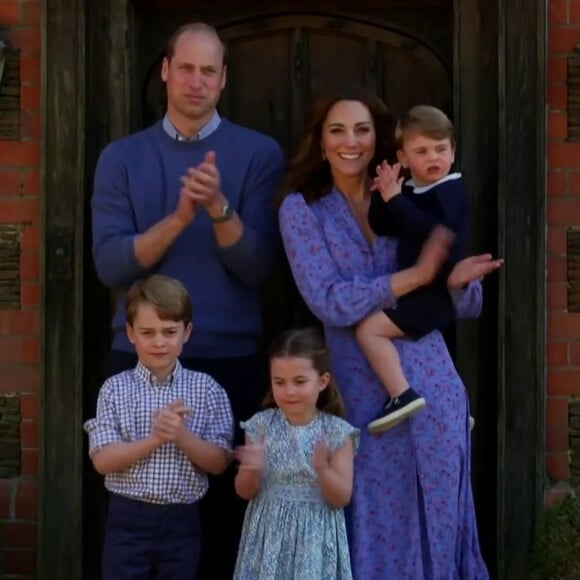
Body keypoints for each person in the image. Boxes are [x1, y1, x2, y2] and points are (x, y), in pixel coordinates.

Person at [278, 89, 503, 579]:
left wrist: (458, 283)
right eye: (337, 130)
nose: (350, 141)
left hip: (434, 385)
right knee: (375, 521)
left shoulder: (412, 191)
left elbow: (465, 301)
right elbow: (328, 299)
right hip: (364, 395)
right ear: (321, 143)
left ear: (379, 140)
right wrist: (415, 277)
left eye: (362, 130)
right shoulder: (302, 210)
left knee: (442, 520)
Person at [90, 22, 284, 578]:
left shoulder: (257, 153)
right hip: (140, 360)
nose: (197, 82)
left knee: (223, 523)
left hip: (227, 361)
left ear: (223, 80)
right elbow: (112, 265)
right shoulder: (121, 158)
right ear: (166, 72)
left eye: (209, 71)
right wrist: (178, 219)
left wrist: (219, 209)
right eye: (187, 69)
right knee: (136, 514)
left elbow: (258, 268)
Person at [84, 274, 234, 579]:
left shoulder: (207, 390)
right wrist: (155, 439)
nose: (159, 342)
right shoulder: (114, 389)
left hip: (183, 521)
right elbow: (102, 460)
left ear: (186, 332)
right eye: (147, 332)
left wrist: (181, 437)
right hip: (127, 519)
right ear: (130, 333)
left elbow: (220, 462)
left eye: (169, 331)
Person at [356, 105, 471, 433]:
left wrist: (396, 199)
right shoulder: (413, 191)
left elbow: (431, 232)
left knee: (369, 330)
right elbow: (383, 225)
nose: (433, 157)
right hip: (418, 292)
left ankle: (401, 395)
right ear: (403, 158)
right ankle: (451, 403)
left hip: (432, 293)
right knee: (424, 354)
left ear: (453, 151)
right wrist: (384, 192)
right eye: (421, 151)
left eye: (441, 149)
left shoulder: (451, 191)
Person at [233, 327, 358, 580]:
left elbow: (342, 497)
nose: (289, 391)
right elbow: (244, 491)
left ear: (323, 381)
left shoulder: (336, 432)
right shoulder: (260, 426)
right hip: (268, 535)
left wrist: (323, 469)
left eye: (299, 382)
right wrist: (251, 468)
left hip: (315, 537)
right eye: (279, 382)